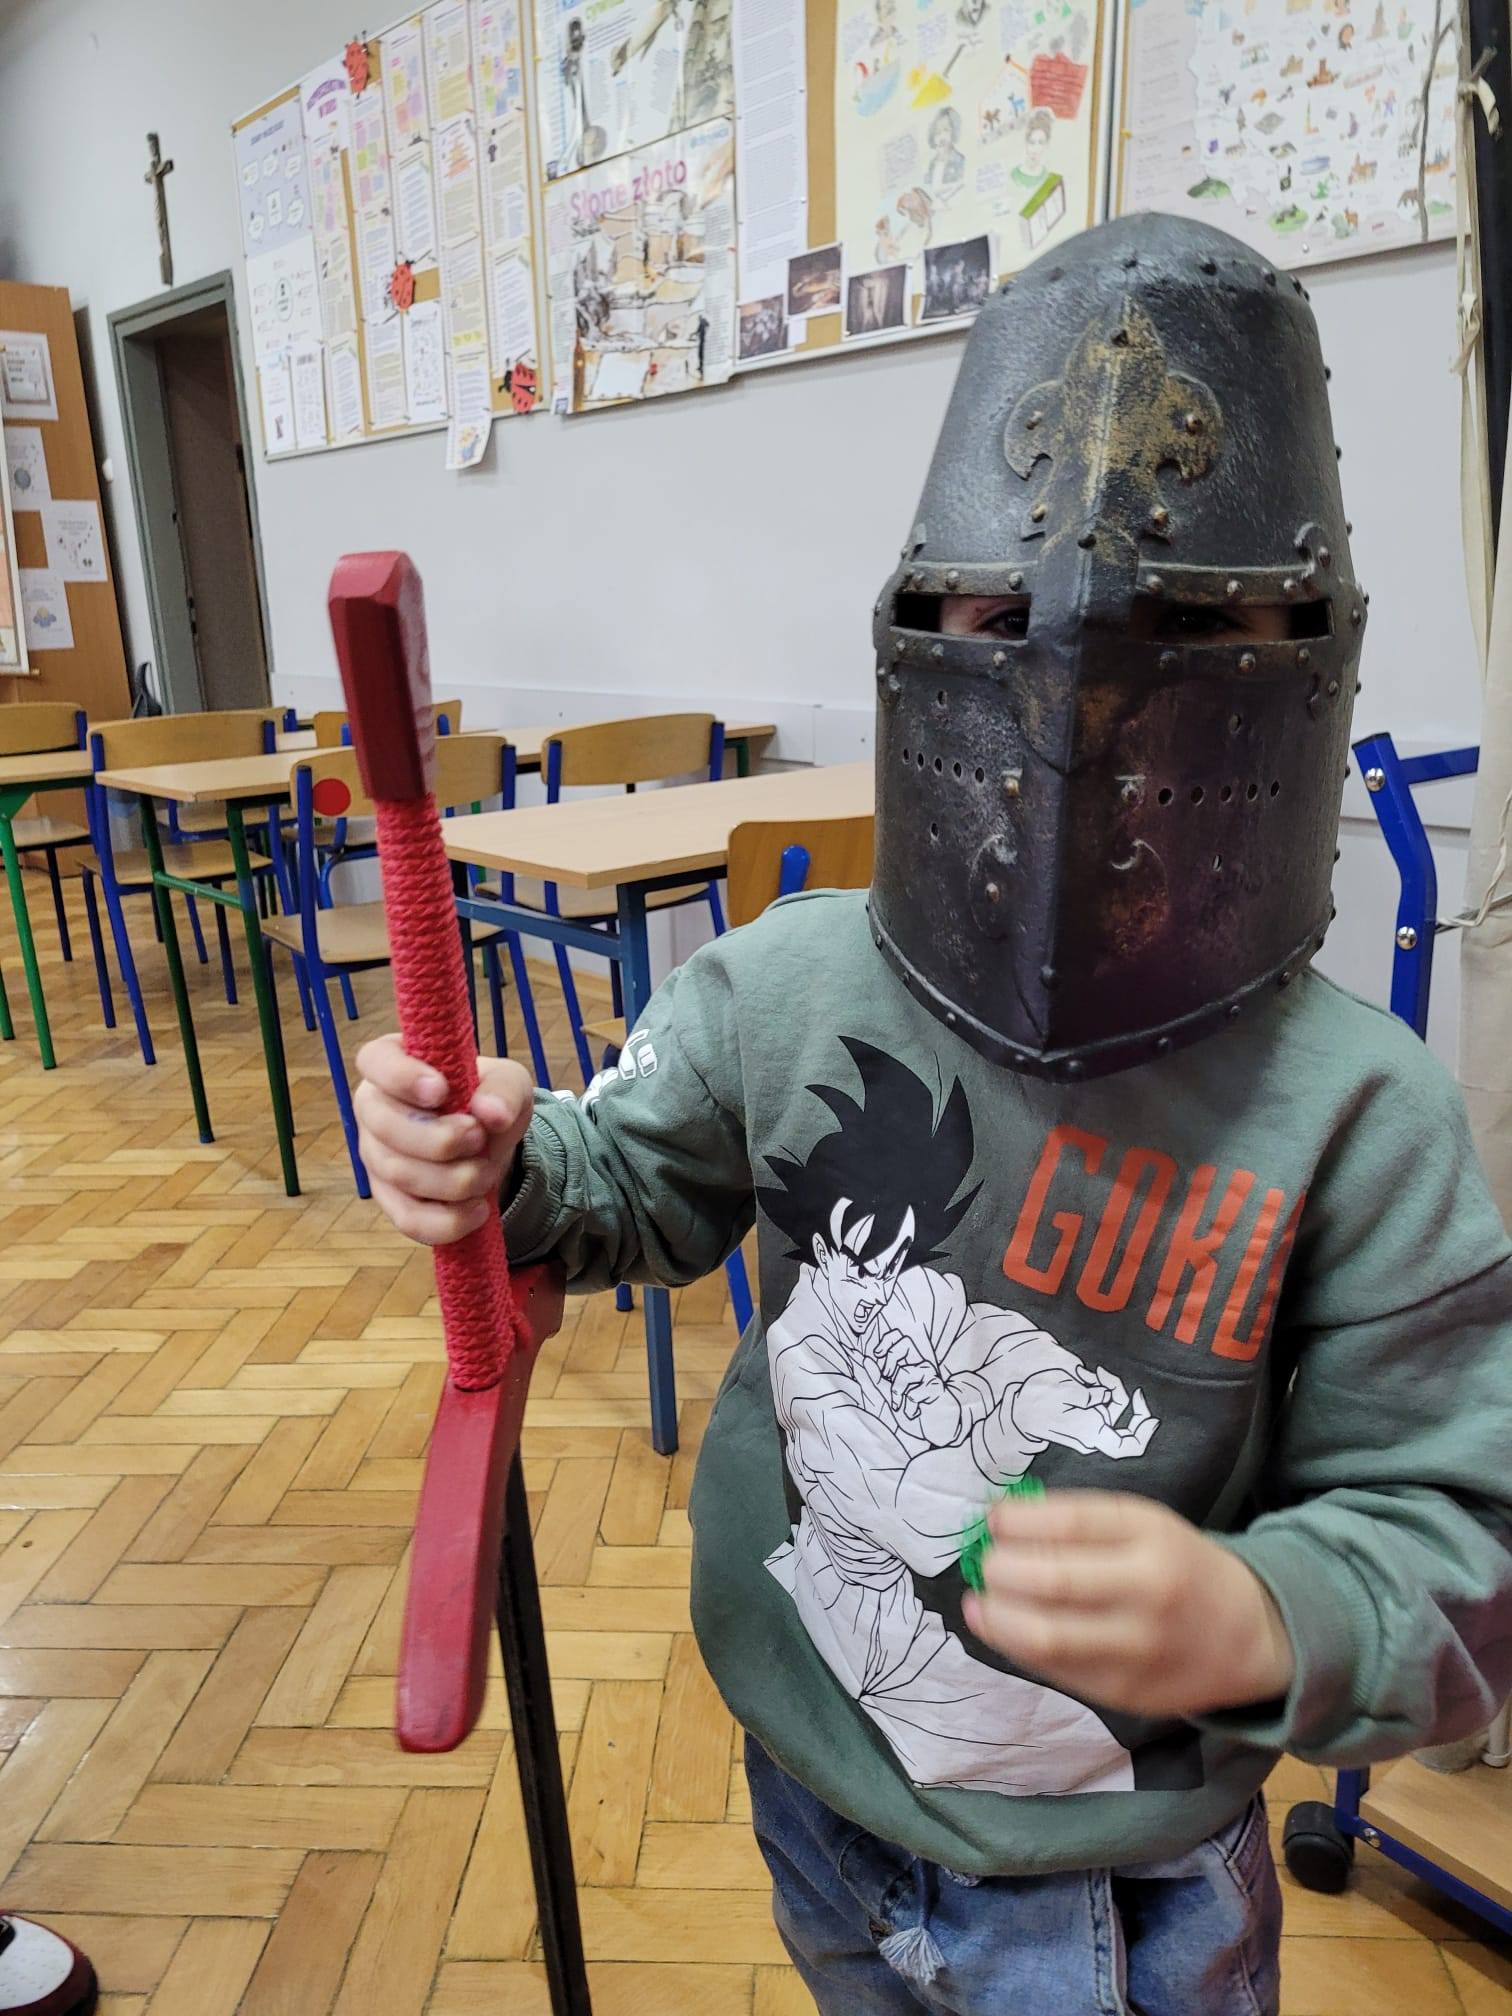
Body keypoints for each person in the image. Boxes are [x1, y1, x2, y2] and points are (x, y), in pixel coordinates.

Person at [352, 212, 1512, 2014]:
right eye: (997, 619)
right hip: (818, 1781)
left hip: (1123, 1880)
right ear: (918, 629)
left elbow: (1466, 1542)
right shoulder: (781, 987)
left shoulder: (1362, 1118)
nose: (1077, 697)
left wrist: (1265, 1614)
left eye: (1186, 630)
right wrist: (494, 1161)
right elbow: (616, 1191)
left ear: (1298, 653)